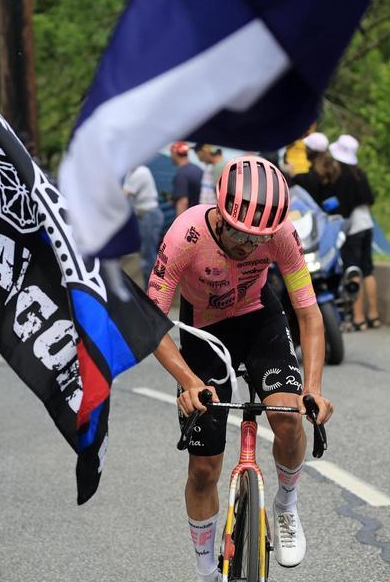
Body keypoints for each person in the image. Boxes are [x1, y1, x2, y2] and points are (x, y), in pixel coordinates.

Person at [147, 156, 333, 579]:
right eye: (239, 234)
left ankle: (286, 504)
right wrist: (189, 382)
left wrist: (315, 388)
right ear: (219, 213)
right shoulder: (185, 235)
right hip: (205, 332)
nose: (248, 247)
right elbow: (150, 320)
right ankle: (205, 569)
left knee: (288, 417)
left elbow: (308, 312)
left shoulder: (281, 233)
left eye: (258, 239)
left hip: (259, 319)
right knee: (204, 467)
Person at [328, 135, 381, 330]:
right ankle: (374, 315)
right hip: (367, 224)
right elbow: (369, 199)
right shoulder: (360, 173)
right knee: (368, 270)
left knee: (353, 270)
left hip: (353, 229)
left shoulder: (343, 178)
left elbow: (343, 209)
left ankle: (358, 317)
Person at [124, 163, 163, 285]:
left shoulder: (141, 172)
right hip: (143, 216)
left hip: (149, 216)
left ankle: (152, 292)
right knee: (146, 255)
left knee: (148, 257)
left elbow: (125, 193)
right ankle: (152, 290)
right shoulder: (131, 172)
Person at [290, 132, 329, 198]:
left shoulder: (309, 178)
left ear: (312, 151)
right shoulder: (326, 171)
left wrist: (290, 174)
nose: (305, 149)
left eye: (307, 147)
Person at [171, 142, 203, 217]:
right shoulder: (198, 169)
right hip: (200, 216)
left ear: (174, 154)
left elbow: (182, 201)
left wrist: (179, 226)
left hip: (189, 218)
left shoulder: (181, 174)